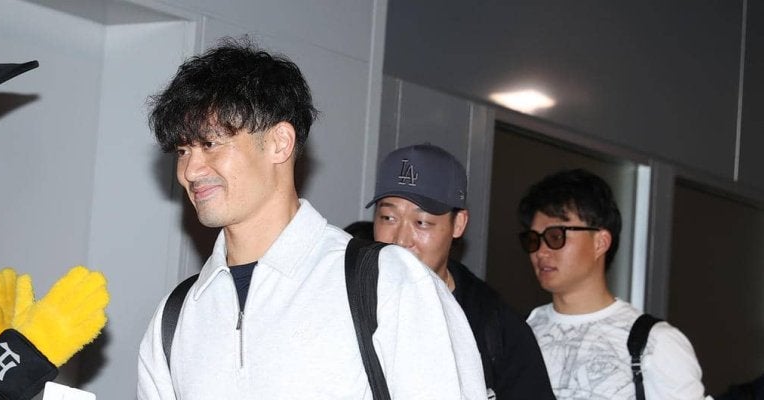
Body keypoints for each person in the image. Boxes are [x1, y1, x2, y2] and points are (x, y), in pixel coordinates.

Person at [137, 39, 486, 399]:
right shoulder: (175, 317)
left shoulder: (387, 283)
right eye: (183, 151)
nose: (190, 171)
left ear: (280, 143)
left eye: (209, 144)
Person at [367, 143, 555, 399]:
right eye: (388, 218)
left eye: (421, 222)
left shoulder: (495, 325)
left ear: (458, 224)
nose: (400, 240)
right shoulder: (348, 300)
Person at [518, 168, 707, 399]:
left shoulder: (654, 343)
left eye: (555, 236)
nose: (541, 252)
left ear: (600, 242)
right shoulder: (517, 334)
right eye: (533, 240)